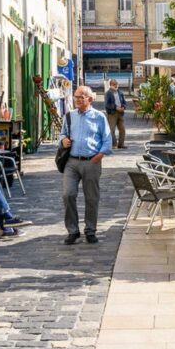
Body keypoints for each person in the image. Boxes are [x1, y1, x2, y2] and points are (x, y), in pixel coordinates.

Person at [59, 85, 112, 245]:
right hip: (72, 162)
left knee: (91, 198)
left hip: (91, 162)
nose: (77, 100)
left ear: (90, 99)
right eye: (76, 97)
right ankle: (73, 231)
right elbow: (62, 134)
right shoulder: (69, 116)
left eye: (81, 97)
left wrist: (100, 155)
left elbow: (107, 138)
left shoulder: (99, 117)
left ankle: (90, 230)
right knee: (68, 194)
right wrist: (63, 140)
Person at [104, 79, 128, 149]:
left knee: (122, 129)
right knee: (112, 129)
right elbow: (107, 104)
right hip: (112, 113)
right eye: (114, 84)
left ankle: (121, 144)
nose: (116, 85)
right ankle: (114, 144)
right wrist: (115, 107)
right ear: (111, 85)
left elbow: (124, 102)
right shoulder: (108, 93)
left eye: (117, 84)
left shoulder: (120, 92)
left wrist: (124, 107)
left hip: (121, 113)